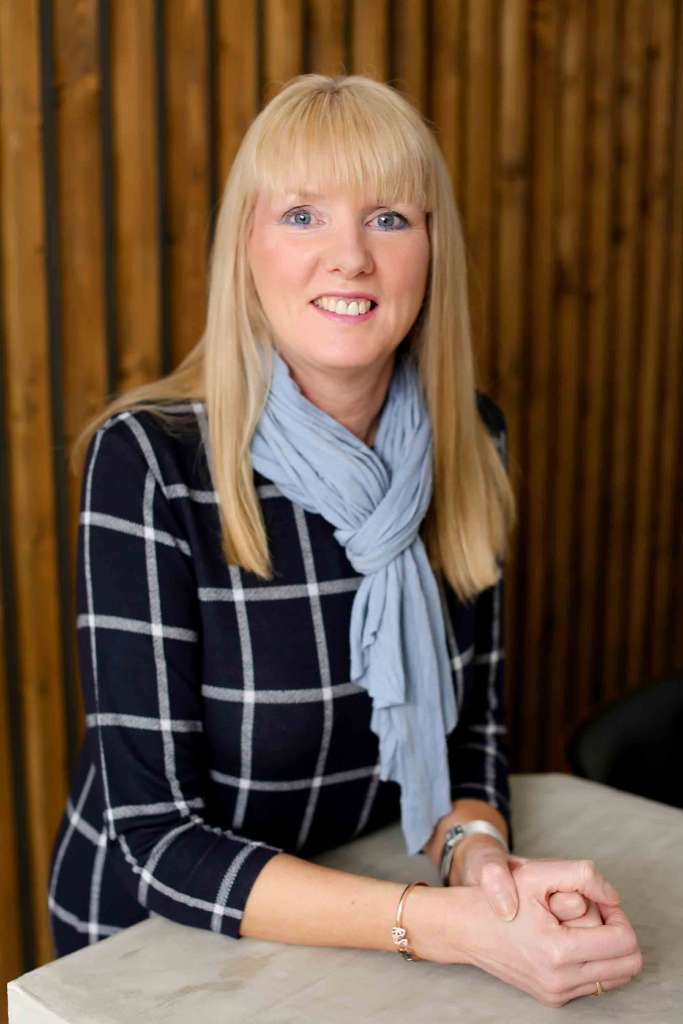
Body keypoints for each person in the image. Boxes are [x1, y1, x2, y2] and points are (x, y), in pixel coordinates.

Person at [47, 73, 641, 1007]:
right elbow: (158, 839)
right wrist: (436, 925)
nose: (350, 256)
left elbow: (470, 735)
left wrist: (481, 866)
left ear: (431, 251)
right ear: (245, 248)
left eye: (390, 218)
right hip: (152, 956)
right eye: (301, 216)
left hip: (366, 913)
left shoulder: (468, 439)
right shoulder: (150, 464)